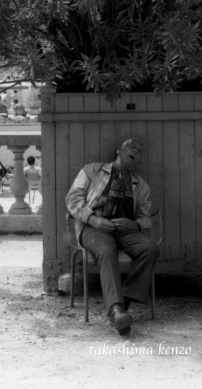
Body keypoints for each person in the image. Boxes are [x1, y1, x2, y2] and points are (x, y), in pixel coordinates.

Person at [66, 137, 159, 336]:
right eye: (131, 146)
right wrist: (93, 219)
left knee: (150, 248)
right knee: (107, 250)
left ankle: (123, 301)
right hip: (94, 227)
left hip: (125, 230)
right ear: (119, 150)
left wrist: (132, 224)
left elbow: (146, 219)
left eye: (139, 151)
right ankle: (116, 311)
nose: (135, 150)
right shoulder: (91, 170)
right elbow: (73, 199)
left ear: (139, 161)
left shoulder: (141, 186)